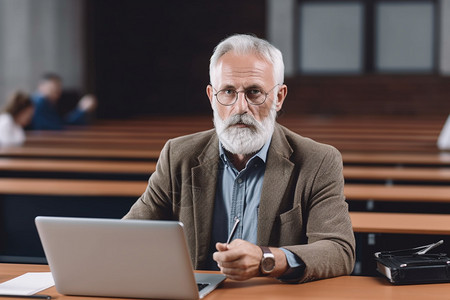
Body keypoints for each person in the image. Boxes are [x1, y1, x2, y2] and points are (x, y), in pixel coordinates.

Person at [124, 34, 355, 283]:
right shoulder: (178, 155)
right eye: (228, 91)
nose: (240, 107)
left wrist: (267, 259)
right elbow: (128, 236)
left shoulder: (318, 160)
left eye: (254, 92)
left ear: (278, 97)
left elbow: (339, 250)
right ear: (212, 96)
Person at [30, 73, 97, 130]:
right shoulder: (39, 103)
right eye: (53, 89)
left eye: (58, 88)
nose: (57, 92)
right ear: (41, 86)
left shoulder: (45, 102)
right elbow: (60, 127)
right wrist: (82, 110)